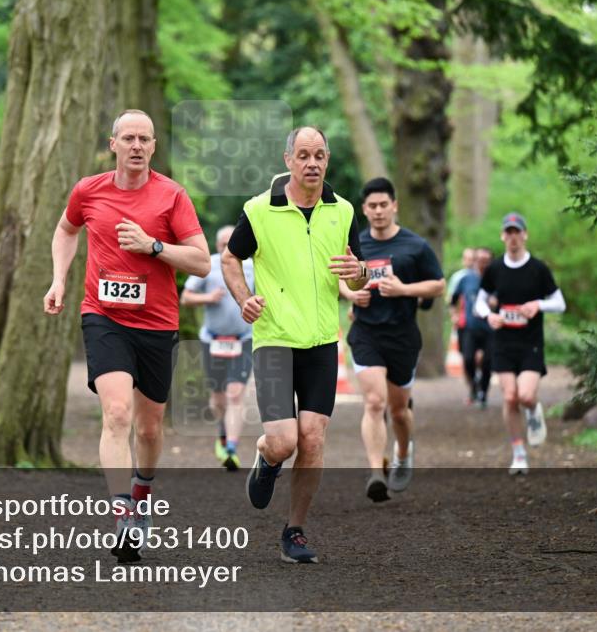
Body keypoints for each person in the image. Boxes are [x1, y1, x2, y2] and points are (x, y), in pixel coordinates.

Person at [44, 109, 210, 562]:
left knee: (149, 427)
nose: (137, 146)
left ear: (154, 146)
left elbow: (201, 262)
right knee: (117, 413)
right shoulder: (88, 190)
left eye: (145, 139)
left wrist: (153, 246)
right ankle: (122, 515)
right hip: (104, 317)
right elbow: (65, 230)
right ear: (113, 144)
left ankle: (142, 494)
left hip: (157, 322)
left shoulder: (172, 196)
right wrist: (59, 279)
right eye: (129, 138)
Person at [221, 126, 367, 564]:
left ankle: (295, 531)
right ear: (288, 160)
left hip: (321, 341)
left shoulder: (343, 210)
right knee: (284, 441)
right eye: (303, 155)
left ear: (327, 159)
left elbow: (358, 274)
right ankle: (267, 458)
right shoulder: (259, 210)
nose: (312, 163)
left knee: (313, 438)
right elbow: (230, 257)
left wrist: (359, 272)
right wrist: (244, 299)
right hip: (274, 340)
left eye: (319, 155)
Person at [339, 177, 445, 503]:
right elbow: (339, 280)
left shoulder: (415, 246)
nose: (378, 211)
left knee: (399, 411)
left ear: (394, 206)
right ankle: (375, 472)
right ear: (364, 209)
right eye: (372, 206)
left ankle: (402, 453)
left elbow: (438, 285)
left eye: (384, 204)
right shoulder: (355, 245)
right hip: (366, 333)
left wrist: (404, 290)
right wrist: (351, 295)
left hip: (402, 335)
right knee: (374, 402)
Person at [474, 213, 566, 475]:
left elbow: (560, 303)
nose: (513, 237)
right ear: (503, 236)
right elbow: (480, 302)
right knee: (510, 397)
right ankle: (519, 453)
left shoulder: (538, 269)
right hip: (503, 343)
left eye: (517, 232)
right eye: (509, 232)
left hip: (530, 343)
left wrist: (538, 305)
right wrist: (488, 315)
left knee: (525, 396)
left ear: (525, 235)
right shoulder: (494, 269)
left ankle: (534, 409)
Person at [181, 225, 256, 471]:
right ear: (216, 246)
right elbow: (186, 297)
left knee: (235, 393)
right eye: (223, 245)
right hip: (212, 340)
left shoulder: (252, 266)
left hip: (243, 339)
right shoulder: (208, 266)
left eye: (230, 244)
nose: (226, 248)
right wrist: (207, 298)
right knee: (218, 397)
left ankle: (231, 448)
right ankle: (223, 431)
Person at [452, 246, 494, 408]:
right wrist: (455, 315)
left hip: (490, 328)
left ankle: (483, 393)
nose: (482, 264)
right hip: (470, 327)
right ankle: (474, 386)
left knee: (488, 362)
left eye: (486, 261)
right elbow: (453, 299)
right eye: (480, 260)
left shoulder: (497, 278)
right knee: (468, 359)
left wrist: (497, 304)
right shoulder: (466, 279)